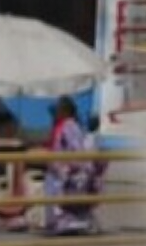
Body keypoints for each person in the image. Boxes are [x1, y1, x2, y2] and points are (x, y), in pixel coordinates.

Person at [43, 97, 105, 236]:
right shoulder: (62, 125)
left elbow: (76, 149)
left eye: (57, 110)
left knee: (60, 196)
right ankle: (61, 222)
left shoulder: (69, 126)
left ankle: (67, 222)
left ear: (64, 111)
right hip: (58, 168)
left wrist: (67, 166)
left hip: (65, 170)